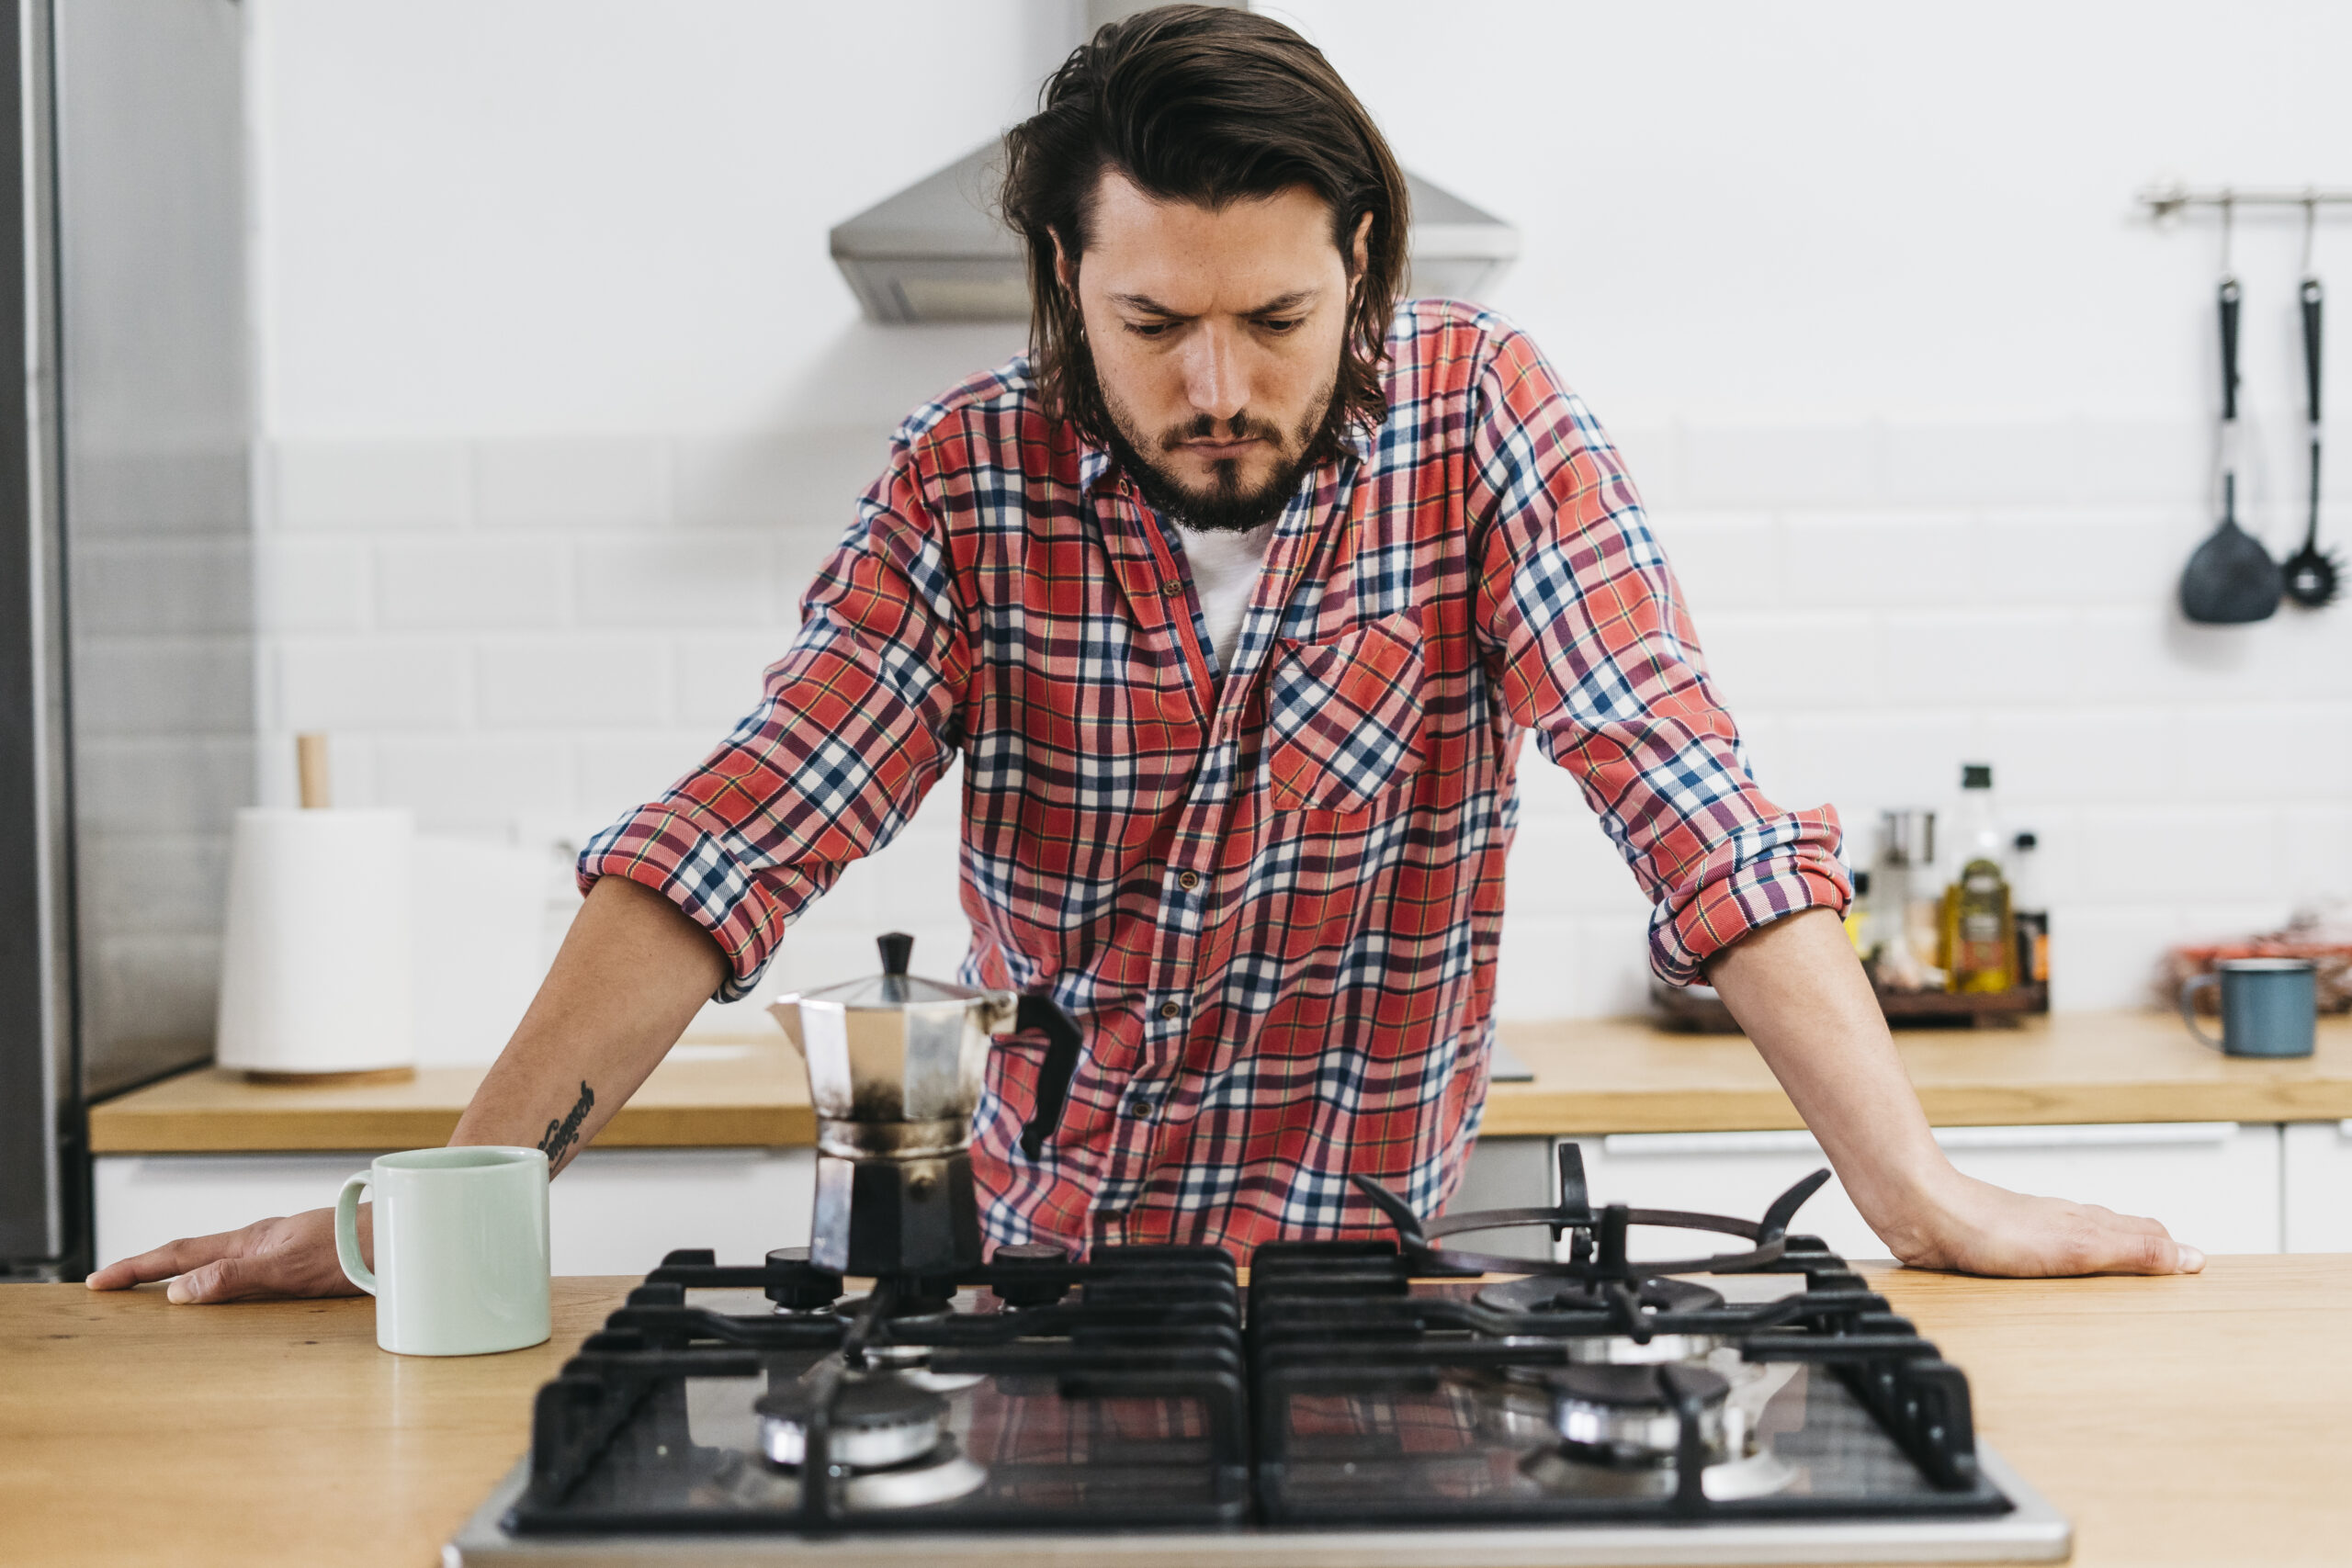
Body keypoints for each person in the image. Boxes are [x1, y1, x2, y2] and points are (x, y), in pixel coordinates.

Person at [91, 6, 2197, 1304]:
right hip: (1039, 1291)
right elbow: (734, 837)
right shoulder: (962, 482)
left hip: (1382, 1289)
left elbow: (1680, 785)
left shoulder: (1485, 420)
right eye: (1150, 325)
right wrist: (437, 1207)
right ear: (1059, 286)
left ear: (1355, 267)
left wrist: (1905, 1181)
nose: (1213, 383)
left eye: (1272, 324)